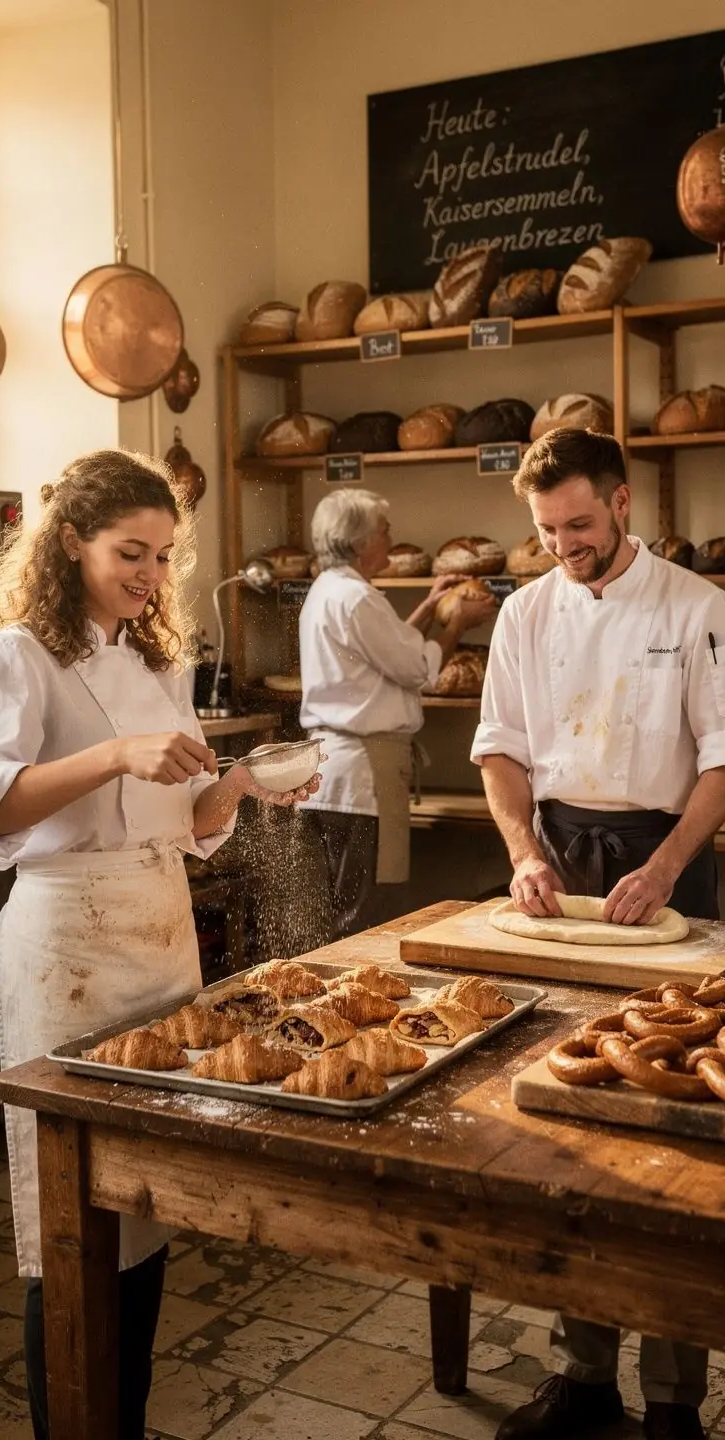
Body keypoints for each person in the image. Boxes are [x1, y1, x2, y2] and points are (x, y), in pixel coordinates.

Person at [0, 449, 318, 1440]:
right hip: (68, 946)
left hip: (158, 936)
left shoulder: (156, 661)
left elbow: (186, 821)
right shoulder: (17, 657)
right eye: (129, 552)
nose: (150, 574)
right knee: (71, 1223)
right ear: (70, 542)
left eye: (162, 555)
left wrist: (240, 787)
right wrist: (110, 755)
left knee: (145, 1209)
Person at [471, 428, 725, 1440]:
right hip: (562, 864)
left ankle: (672, 1400)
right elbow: (500, 750)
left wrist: (664, 867)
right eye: (547, 531)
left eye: (578, 524)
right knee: (564, 1118)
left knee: (665, 1132)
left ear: (622, 503)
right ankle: (581, 1377)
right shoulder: (526, 613)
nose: (564, 546)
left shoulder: (698, 608)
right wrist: (524, 852)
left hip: (671, 862)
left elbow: (722, 762)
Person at [299, 487, 497, 939]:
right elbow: (417, 670)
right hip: (363, 775)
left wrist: (428, 606)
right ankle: (357, 981)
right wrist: (457, 624)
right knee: (369, 914)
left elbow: (389, 651)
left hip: (331, 774)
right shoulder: (358, 598)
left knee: (343, 908)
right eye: (384, 530)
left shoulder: (329, 591)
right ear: (361, 542)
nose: (391, 537)